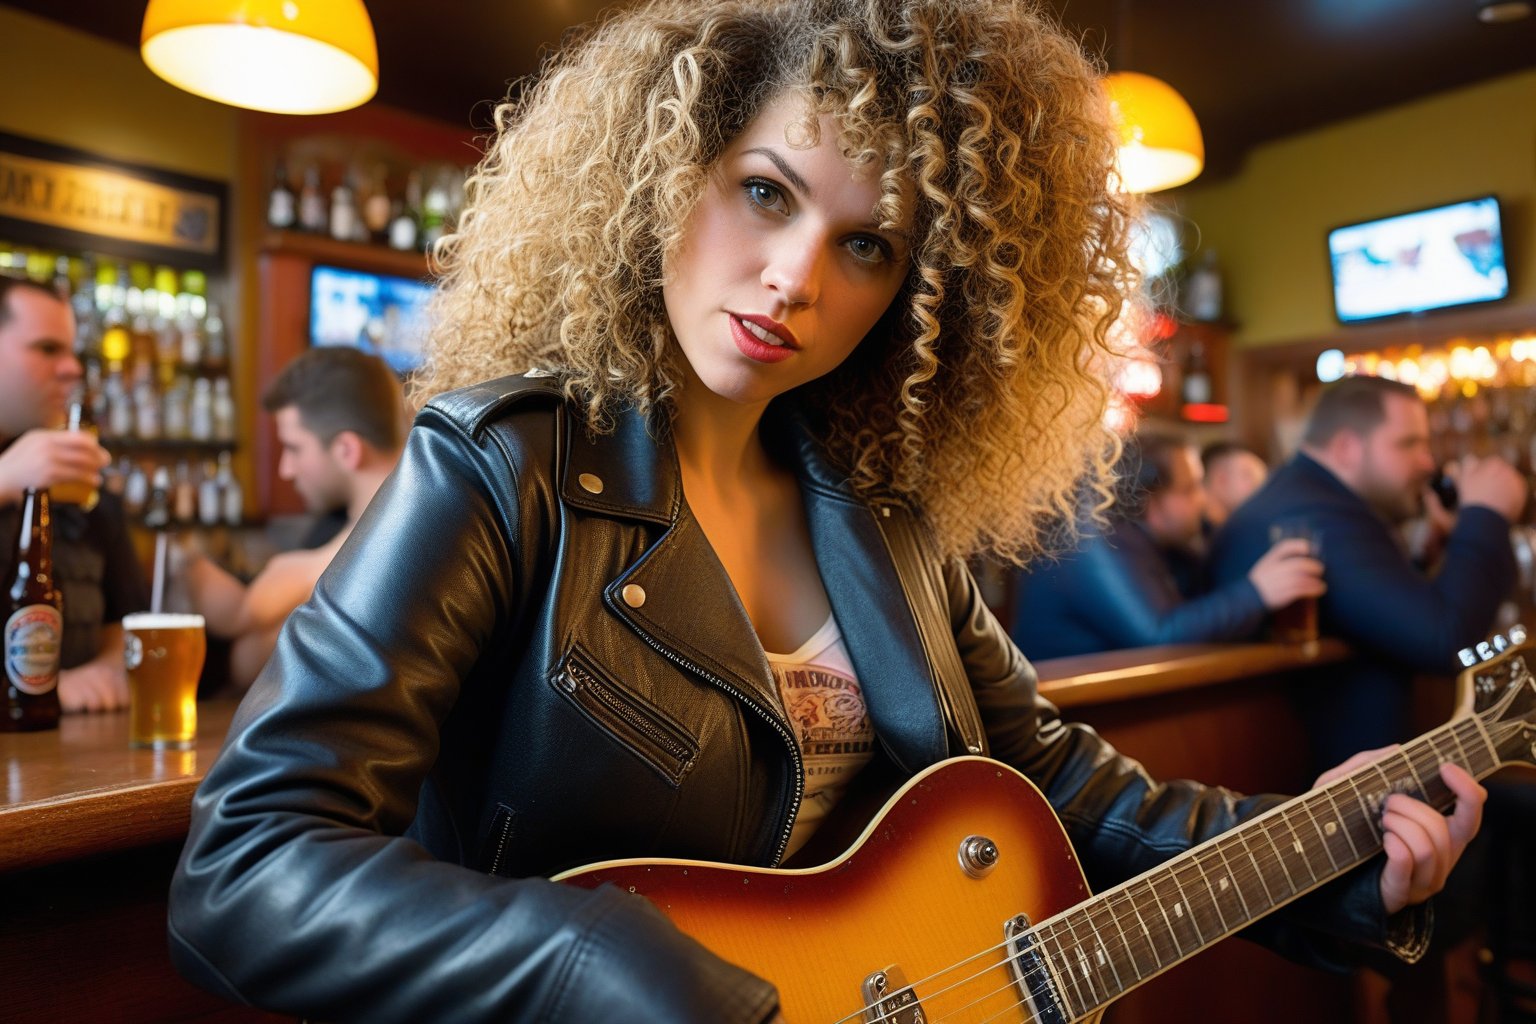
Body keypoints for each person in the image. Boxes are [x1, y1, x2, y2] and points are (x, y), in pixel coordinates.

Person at [168, 3, 1484, 1021]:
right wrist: (583, 955)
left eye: (869, 244)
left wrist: (1331, 850)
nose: (794, 276)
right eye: (765, 189)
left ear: (919, 296)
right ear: (671, 168)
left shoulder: (883, 521)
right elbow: (249, 864)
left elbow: (1065, 794)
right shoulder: (504, 468)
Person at [1209, 374, 1526, 771]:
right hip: (1328, 796)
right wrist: (1485, 515)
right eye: (1409, 443)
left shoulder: (1309, 497)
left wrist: (1432, 555)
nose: (1428, 462)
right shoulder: (1317, 515)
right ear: (1346, 447)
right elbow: (1447, 640)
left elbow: (1375, 615)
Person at [179, 347, 404, 690]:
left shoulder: (371, 546)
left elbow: (239, 618)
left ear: (347, 449)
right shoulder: (367, 524)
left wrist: (185, 562)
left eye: (295, 448)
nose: (286, 469)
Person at [1010, 432, 1323, 659]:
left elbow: (1201, 604)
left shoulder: (1160, 544)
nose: (1204, 498)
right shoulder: (1093, 544)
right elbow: (1159, 635)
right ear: (1152, 501)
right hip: (1069, 713)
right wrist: (1258, 591)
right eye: (1190, 489)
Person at [0, 275, 149, 713]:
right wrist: (7, 477)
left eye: (71, 351)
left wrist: (106, 669)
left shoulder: (81, 488)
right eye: (48, 349)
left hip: (75, 770)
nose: (73, 368)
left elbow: (128, 626)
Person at [1201, 439, 1268, 532]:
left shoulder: (1236, 531)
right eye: (1249, 476)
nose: (1261, 486)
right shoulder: (1196, 536)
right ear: (1220, 480)